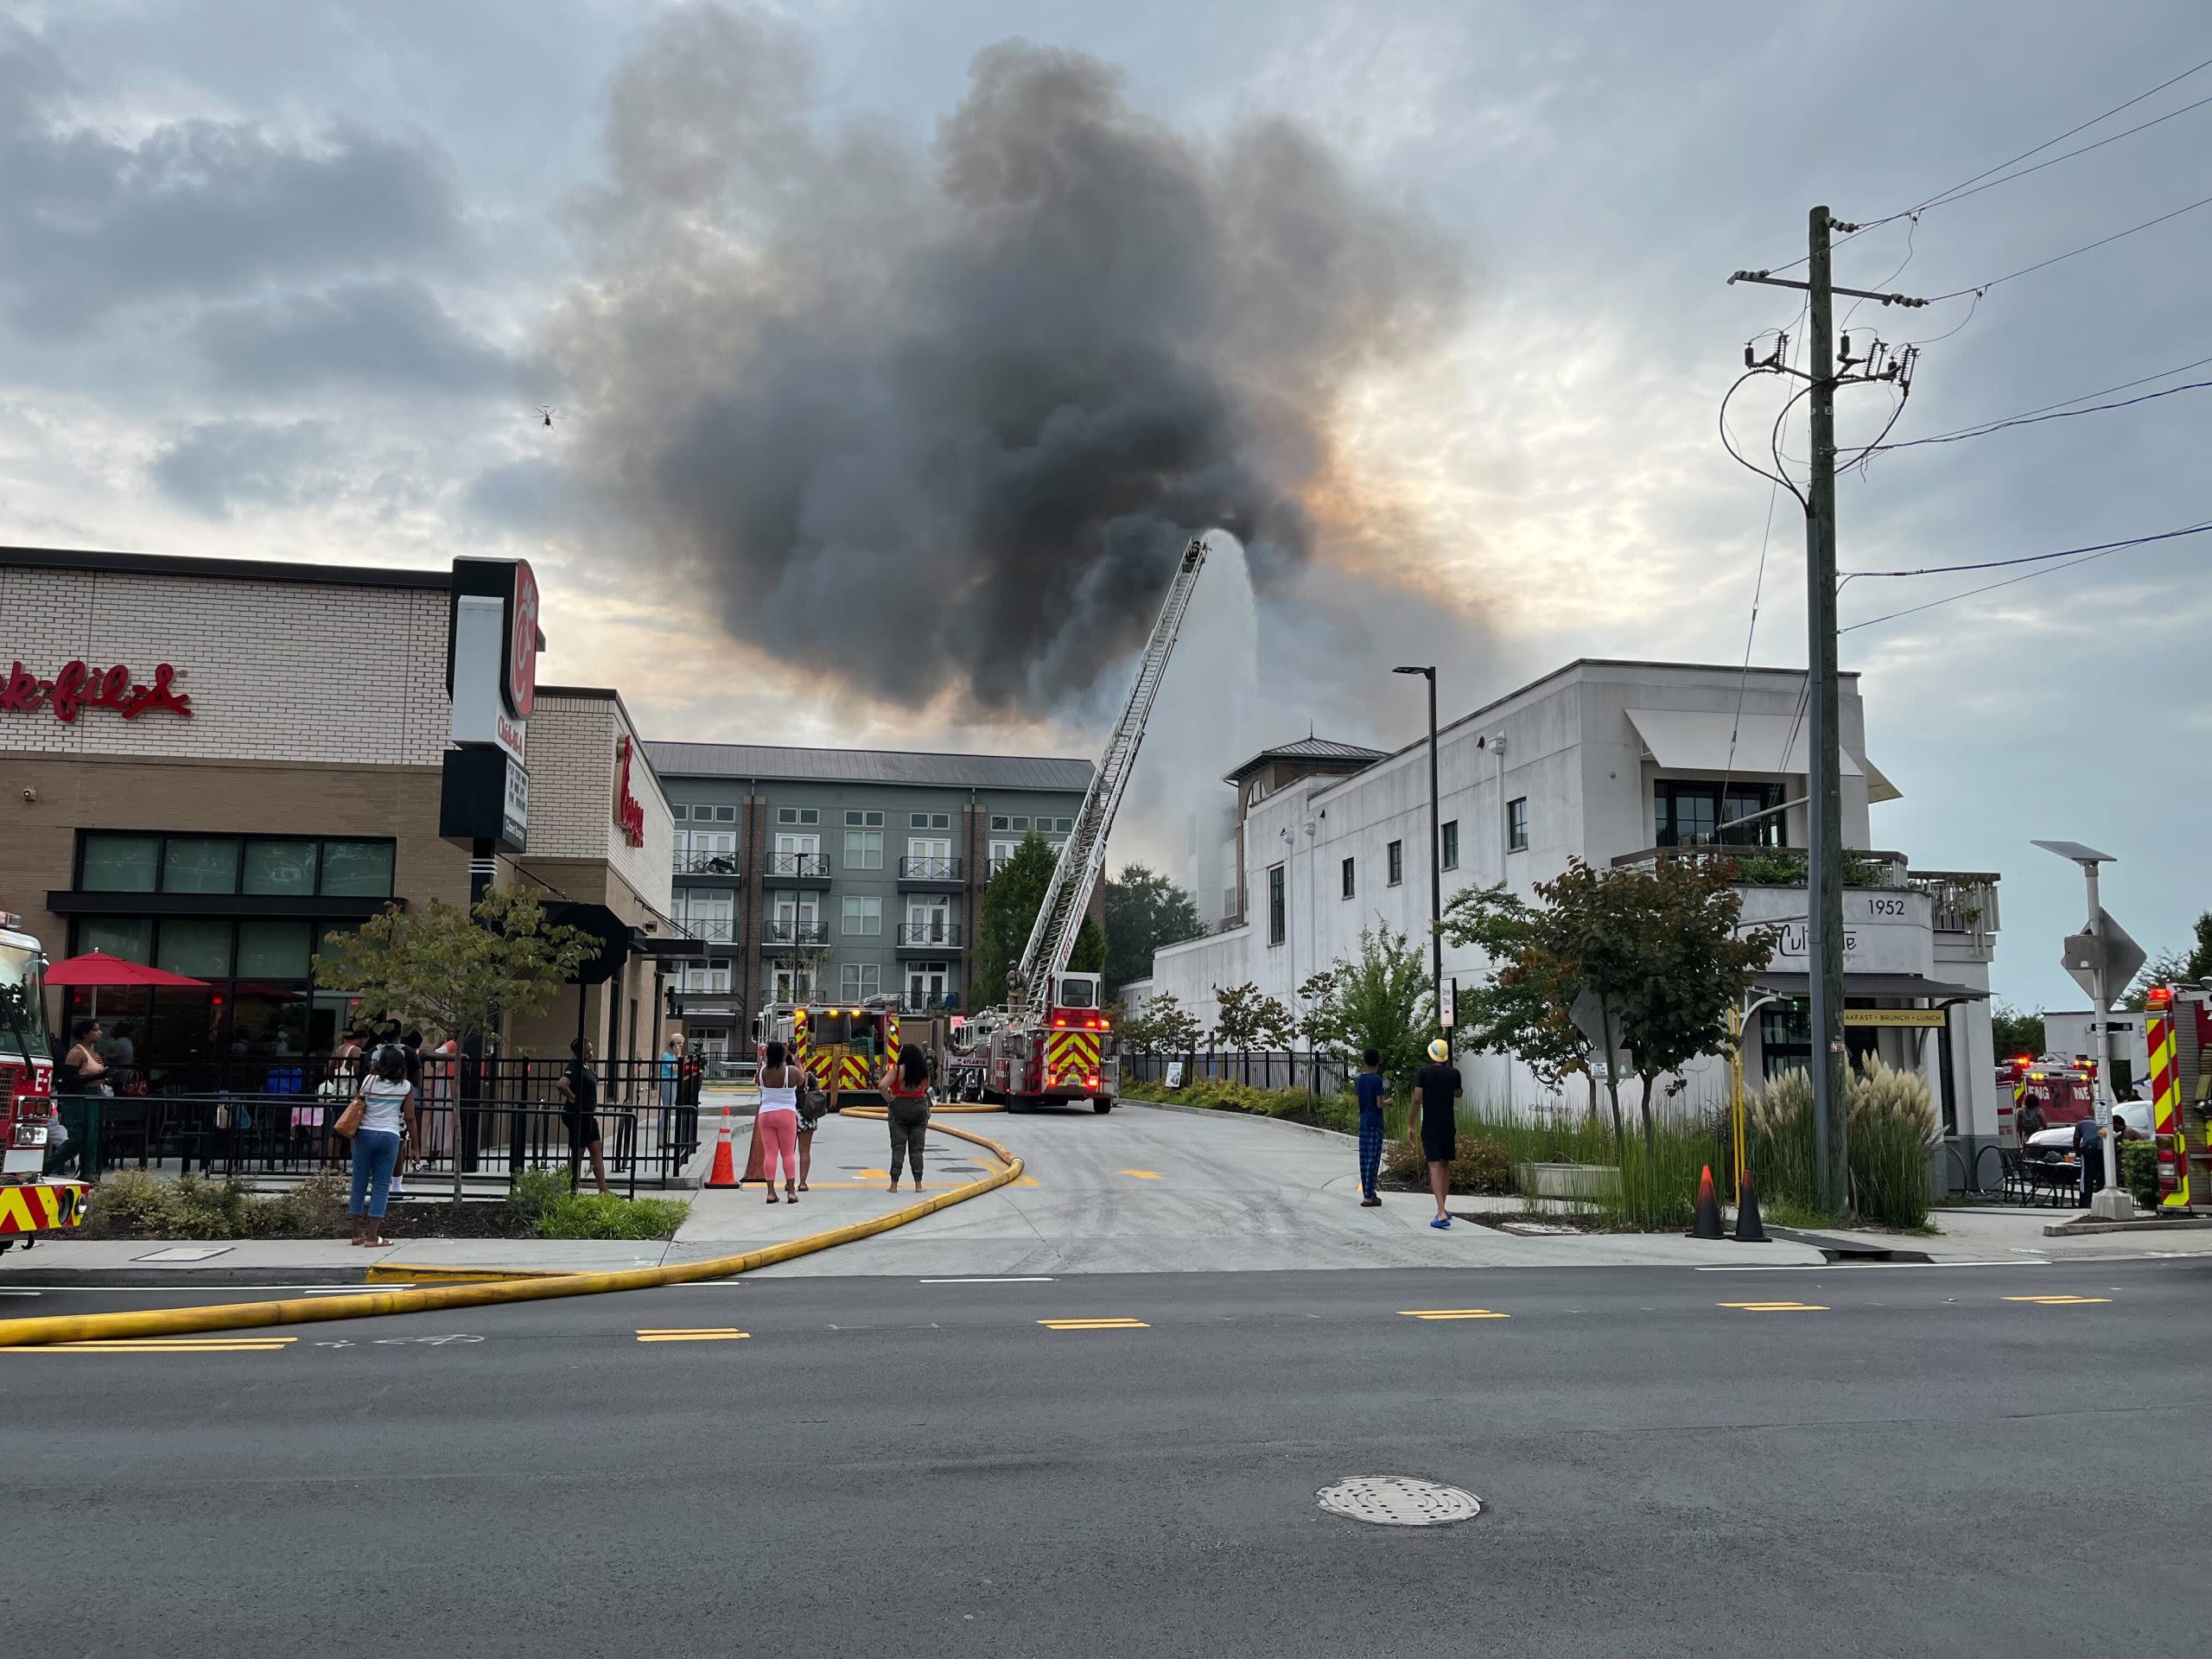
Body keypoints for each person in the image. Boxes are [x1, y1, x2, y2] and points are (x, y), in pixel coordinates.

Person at [347, 1043, 419, 1247]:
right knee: (381, 1186)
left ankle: (355, 1234)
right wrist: (415, 1146)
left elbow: (358, 1102)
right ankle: (372, 1236)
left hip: (363, 1135)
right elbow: (411, 1118)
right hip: (389, 1135)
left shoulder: (369, 1081)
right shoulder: (405, 1086)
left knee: (359, 1182)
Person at [1407, 1037, 1463, 1230]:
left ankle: (1440, 1211)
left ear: (1431, 1054)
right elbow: (1458, 1093)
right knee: (1445, 1164)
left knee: (1434, 1165)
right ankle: (1443, 1208)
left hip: (1431, 1124)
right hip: (1449, 1123)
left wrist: (1410, 1123)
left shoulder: (1424, 1073)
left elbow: (1417, 1099)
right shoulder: (1454, 1073)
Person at [554, 1037, 612, 1195]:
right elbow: (561, 1084)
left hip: (588, 1114)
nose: (590, 1054)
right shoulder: (574, 1066)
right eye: (587, 1051)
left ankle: (604, 1190)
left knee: (596, 1149)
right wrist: (573, 1097)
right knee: (578, 1152)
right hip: (578, 1115)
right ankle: (570, 1189)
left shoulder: (586, 1067)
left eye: (591, 1050)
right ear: (579, 1053)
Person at [879, 1045, 932, 1194]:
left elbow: (882, 1085)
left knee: (898, 1147)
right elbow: (926, 1088)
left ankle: (894, 1185)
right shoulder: (923, 1071)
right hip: (920, 1109)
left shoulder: (896, 1070)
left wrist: (890, 1099)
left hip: (900, 1109)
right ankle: (918, 1185)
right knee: (917, 1149)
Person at [754, 1039, 802, 1204]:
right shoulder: (791, 1072)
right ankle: (791, 1192)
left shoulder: (761, 1072)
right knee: (788, 1154)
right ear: (783, 1055)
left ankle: (770, 1192)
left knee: (770, 1154)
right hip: (786, 1114)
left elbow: (757, 1085)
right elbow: (802, 1081)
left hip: (766, 1113)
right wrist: (796, 1059)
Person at [1354, 1048, 1389, 1207]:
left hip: (1364, 1121)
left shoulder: (1359, 1080)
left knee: (1364, 1157)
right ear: (1378, 1062)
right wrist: (1389, 1102)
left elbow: (1358, 1101)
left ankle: (1367, 1193)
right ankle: (1369, 1195)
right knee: (1373, 1159)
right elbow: (1379, 1104)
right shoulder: (1377, 1080)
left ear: (1364, 1061)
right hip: (1375, 1122)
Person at [56, 1020, 109, 1097]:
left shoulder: (94, 1053)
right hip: (82, 1096)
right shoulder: (77, 1052)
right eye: (95, 1030)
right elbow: (71, 1078)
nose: (100, 1033)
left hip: (96, 1094)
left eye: (99, 1030)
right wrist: (97, 1076)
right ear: (85, 1034)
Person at [2072, 1111, 2105, 1205]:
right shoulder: (2099, 1124)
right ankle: (2100, 1197)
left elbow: (2076, 1140)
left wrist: (2078, 1153)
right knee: (2100, 1174)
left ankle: (2086, 1200)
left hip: (2089, 1149)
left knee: (2087, 1174)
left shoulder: (2080, 1124)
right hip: (2101, 1149)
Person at [659, 1034, 683, 1108]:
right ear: (674, 1045)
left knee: (671, 1104)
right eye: (680, 1046)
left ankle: (665, 1119)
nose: (680, 1048)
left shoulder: (672, 1056)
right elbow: (675, 1070)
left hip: (673, 1081)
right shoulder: (666, 1055)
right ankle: (664, 1119)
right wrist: (678, 1056)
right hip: (667, 1081)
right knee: (668, 1104)